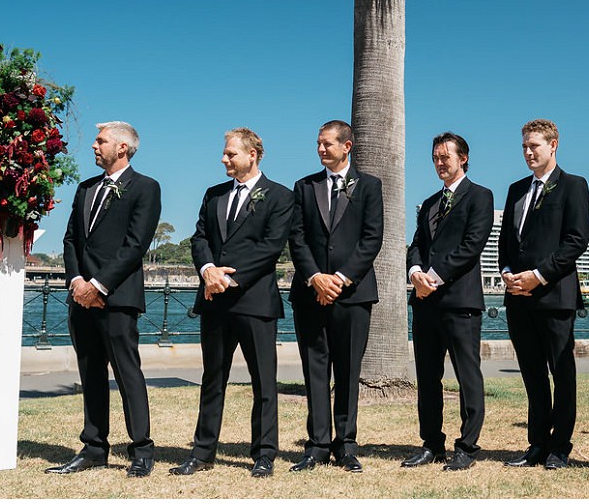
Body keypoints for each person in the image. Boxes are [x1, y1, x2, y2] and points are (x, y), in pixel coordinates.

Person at [169, 128, 293, 478]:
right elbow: (200, 237)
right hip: (214, 302)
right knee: (213, 380)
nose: (224, 159)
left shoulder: (280, 196)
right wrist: (208, 270)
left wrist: (228, 279)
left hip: (254, 302)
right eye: (224, 154)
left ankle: (264, 453)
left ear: (253, 154)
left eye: (230, 154)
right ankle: (202, 452)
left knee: (264, 382)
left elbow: (271, 247)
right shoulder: (213, 194)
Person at [50, 121, 161, 478]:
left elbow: (135, 244)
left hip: (118, 297)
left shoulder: (145, 188)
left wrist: (99, 285)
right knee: (90, 373)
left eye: (101, 141)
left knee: (128, 373)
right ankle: (94, 447)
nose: (94, 147)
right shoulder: (85, 189)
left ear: (123, 148)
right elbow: (70, 240)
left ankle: (142, 449)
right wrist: (77, 282)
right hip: (80, 298)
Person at [287, 120, 384, 474]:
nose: (320, 149)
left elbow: (372, 239)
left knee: (346, 371)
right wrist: (316, 278)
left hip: (353, 295)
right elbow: (296, 238)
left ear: (347, 146)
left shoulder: (370, 186)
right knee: (314, 370)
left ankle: (345, 445)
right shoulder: (304, 186)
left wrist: (339, 279)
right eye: (318, 144)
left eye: (327, 143)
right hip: (310, 293)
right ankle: (316, 445)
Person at [498, 119, 589, 470]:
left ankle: (559, 446)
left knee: (561, 373)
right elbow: (506, 244)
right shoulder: (515, 189)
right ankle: (536, 443)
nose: (527, 152)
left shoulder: (573, 186)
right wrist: (508, 274)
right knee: (532, 373)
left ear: (553, 145)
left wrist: (538, 276)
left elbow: (576, 240)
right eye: (524, 146)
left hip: (554, 295)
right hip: (517, 298)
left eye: (534, 146)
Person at [402, 132, 494, 472]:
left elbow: (471, 246)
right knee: (428, 377)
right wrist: (414, 273)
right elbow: (416, 245)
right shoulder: (428, 204)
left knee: (468, 376)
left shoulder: (480, 197)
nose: (440, 162)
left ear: (463, 158)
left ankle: (467, 446)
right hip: (425, 304)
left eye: (446, 156)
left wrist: (434, 278)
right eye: (436, 157)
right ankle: (431, 444)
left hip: (460, 303)